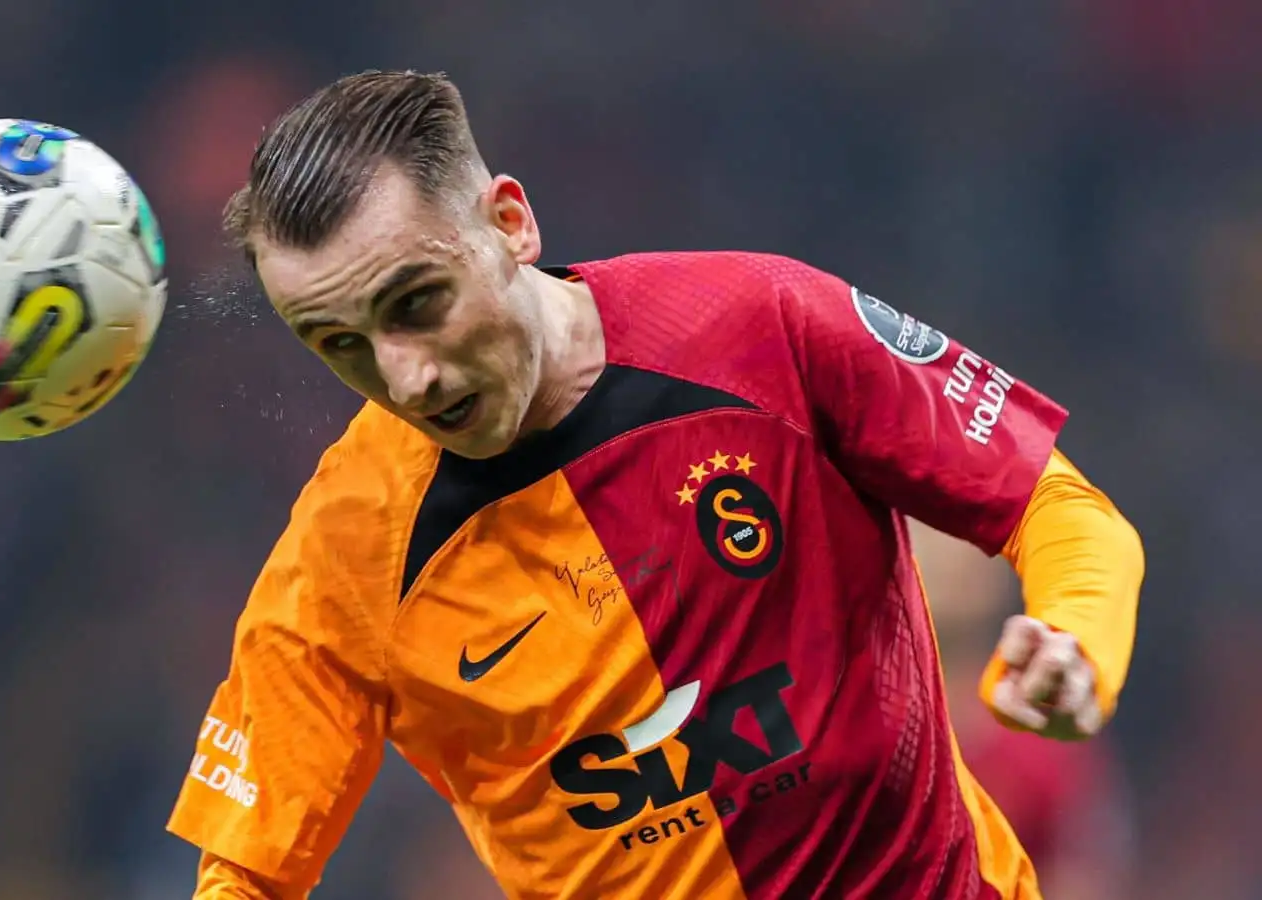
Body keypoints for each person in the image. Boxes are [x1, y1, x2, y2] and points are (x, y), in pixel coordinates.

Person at [165, 69, 1145, 899]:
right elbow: (244, 874)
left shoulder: (759, 329)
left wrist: (1074, 641)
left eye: (419, 304)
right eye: (339, 346)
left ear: (508, 222)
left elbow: (1058, 507)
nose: (405, 375)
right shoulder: (348, 549)